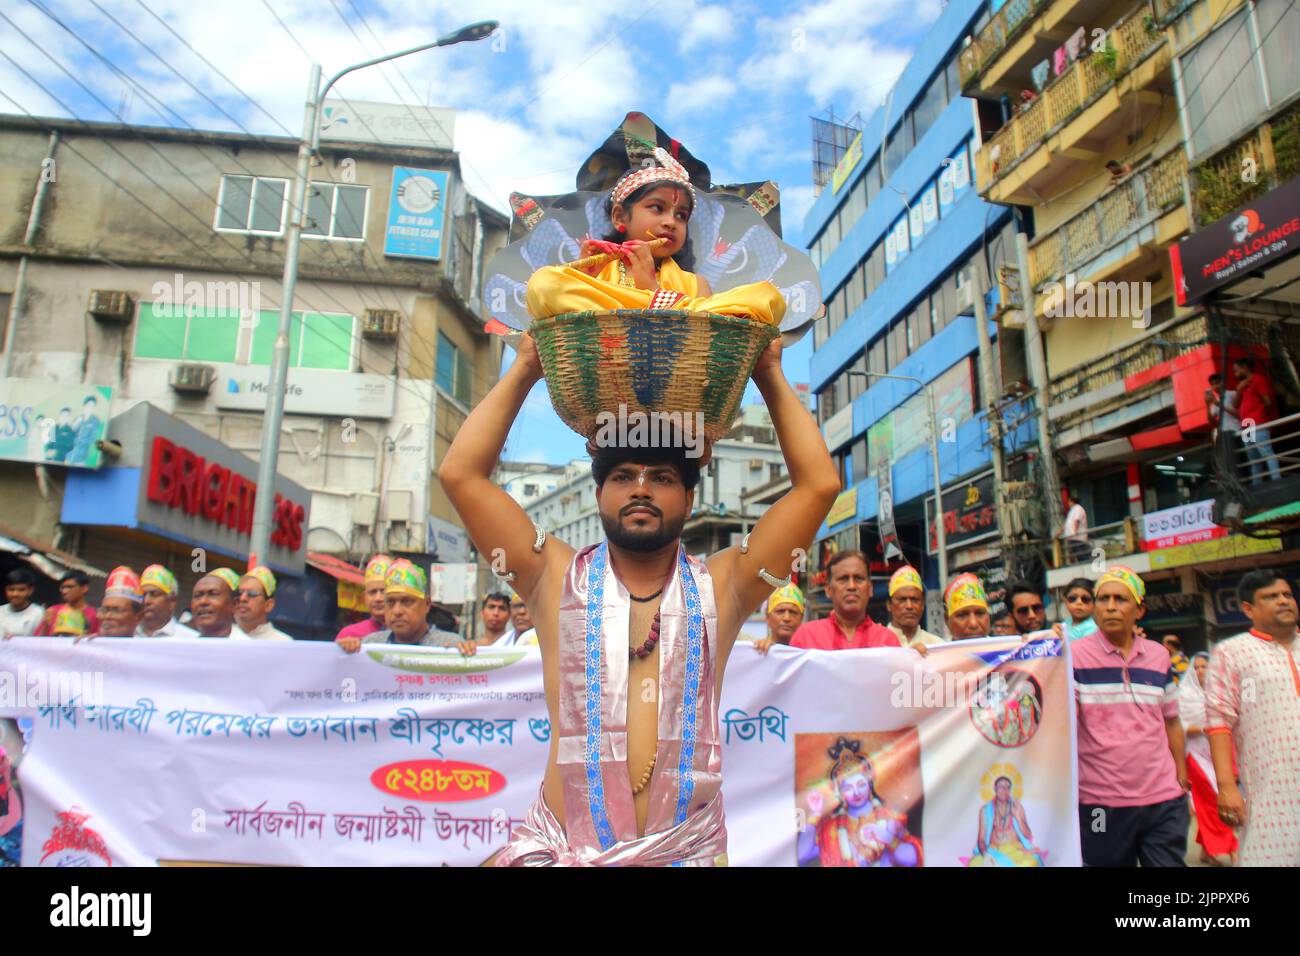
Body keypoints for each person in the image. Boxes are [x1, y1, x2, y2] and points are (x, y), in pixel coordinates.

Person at [438, 328, 838, 866]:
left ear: (690, 498)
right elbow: (460, 475)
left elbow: (818, 487)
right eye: (623, 476)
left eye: (664, 478)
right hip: (564, 850)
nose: (642, 488)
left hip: (686, 853)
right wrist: (526, 368)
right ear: (600, 493)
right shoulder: (550, 576)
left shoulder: (725, 585)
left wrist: (768, 374)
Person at [525, 146, 785, 326]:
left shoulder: (696, 284)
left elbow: (705, 335)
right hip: (606, 354)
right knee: (545, 281)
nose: (671, 222)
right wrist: (584, 277)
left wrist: (652, 289)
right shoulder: (600, 267)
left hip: (673, 369)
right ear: (620, 217)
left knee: (765, 295)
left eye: (681, 215)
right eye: (657, 208)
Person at [1073, 565, 1189, 867]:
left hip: (1163, 799)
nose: (1110, 607)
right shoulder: (1071, 656)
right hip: (1099, 803)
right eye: (1103, 599)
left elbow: (1172, 720)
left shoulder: (1159, 656)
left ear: (1140, 610)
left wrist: (1181, 776)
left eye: (1121, 600)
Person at [1204, 569, 1300, 866]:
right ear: (1248, 609)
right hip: (1272, 794)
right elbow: (1219, 720)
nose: (1283, 601)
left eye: (1287, 594)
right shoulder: (1232, 653)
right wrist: (1227, 787)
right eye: (1271, 597)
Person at [796, 736, 921, 867]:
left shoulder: (891, 818)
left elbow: (913, 859)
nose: (856, 792)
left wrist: (887, 837)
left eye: (861, 784)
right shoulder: (831, 829)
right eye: (848, 788)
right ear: (840, 792)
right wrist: (815, 814)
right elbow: (802, 856)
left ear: (869, 783)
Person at [1179, 651, 1238, 866]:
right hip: (1196, 756)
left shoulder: (1220, 693)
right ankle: (1232, 849)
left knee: (1209, 805)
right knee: (1217, 802)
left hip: (1220, 754)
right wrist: (1205, 729)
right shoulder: (1185, 696)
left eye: (1205, 666)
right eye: (1197, 667)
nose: (1201, 670)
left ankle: (1207, 851)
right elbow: (1180, 728)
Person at [349, 560, 473, 651]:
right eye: (390, 602)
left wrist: (466, 655)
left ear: (427, 604)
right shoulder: (370, 646)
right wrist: (344, 651)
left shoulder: (449, 646)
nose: (397, 611)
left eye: (407, 602)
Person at [790, 551, 900, 650]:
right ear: (828, 589)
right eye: (843, 579)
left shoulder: (888, 641)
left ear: (870, 589)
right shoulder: (806, 637)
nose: (851, 586)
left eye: (858, 578)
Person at [966, 773, 1046, 867]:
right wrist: (986, 855)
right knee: (975, 865)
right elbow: (982, 840)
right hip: (995, 851)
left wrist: (1018, 817)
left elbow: (1027, 834)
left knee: (1031, 862)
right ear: (995, 789)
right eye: (1001, 786)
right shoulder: (985, 811)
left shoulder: (1017, 807)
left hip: (1016, 850)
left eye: (1007, 787)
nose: (1004, 790)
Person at [1232, 356, 1282, 484]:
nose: (1235, 373)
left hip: (1257, 422)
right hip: (1246, 425)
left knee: (1266, 453)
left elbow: (1267, 401)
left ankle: (1277, 481)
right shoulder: (1241, 385)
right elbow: (1235, 405)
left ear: (1245, 368)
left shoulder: (1258, 379)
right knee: (1253, 458)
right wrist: (1239, 389)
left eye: (1237, 370)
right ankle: (1257, 485)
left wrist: (1260, 412)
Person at [335, 555, 392, 643]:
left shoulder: (406, 634)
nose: (378, 598)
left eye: (383, 591)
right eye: (372, 592)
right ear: (364, 597)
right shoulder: (348, 635)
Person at [883, 566, 943, 648]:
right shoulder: (876, 643)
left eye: (915, 600)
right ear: (889, 605)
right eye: (902, 600)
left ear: (922, 605)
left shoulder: (937, 645)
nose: (909, 606)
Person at [135, 565, 197, 638]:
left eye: (154, 594)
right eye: (143, 595)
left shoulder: (189, 639)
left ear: (172, 601)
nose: (146, 601)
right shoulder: (127, 634)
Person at [234, 567, 293, 641]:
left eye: (252, 593)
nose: (242, 598)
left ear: (268, 605)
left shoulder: (283, 642)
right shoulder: (222, 635)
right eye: (239, 593)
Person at [35, 570, 99, 637]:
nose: (64, 591)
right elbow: (37, 641)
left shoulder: (94, 615)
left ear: (84, 588)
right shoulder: (53, 611)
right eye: (63, 587)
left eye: (70, 587)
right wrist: (45, 625)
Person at [190, 569, 248, 639]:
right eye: (198, 596)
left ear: (234, 604)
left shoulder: (249, 648)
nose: (203, 602)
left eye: (213, 594)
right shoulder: (181, 645)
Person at [753, 583, 805, 654]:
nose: (787, 618)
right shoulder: (757, 650)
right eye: (780, 611)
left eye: (793, 612)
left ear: (801, 618)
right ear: (767, 616)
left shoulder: (810, 651)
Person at [96, 566, 144, 638]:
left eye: (116, 610)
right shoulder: (89, 645)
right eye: (104, 610)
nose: (107, 616)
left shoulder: (146, 647)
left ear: (138, 617)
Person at [944, 573, 992, 640]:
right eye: (962, 615)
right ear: (947, 620)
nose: (973, 624)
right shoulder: (936, 650)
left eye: (980, 613)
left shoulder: (1007, 649)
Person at [0, 568, 45, 639]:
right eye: (11, 589)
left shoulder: (39, 613)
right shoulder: (1, 611)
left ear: (30, 590)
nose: (15, 594)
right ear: (5, 590)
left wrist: (17, 639)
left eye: (21, 590)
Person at [1061, 577, 1098, 641]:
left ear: (1094, 603)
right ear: (1065, 601)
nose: (1079, 602)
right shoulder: (1067, 622)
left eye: (1085, 599)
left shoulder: (1091, 629)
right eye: (1073, 598)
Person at [1060, 491, 1088, 564]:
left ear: (1071, 501)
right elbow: (1067, 525)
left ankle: (1085, 563)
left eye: (1069, 501)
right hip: (1072, 537)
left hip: (1077, 537)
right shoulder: (1071, 511)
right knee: (1077, 554)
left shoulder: (1078, 508)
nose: (1068, 503)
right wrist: (1058, 534)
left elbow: (1076, 520)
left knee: (1081, 554)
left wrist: (1074, 531)